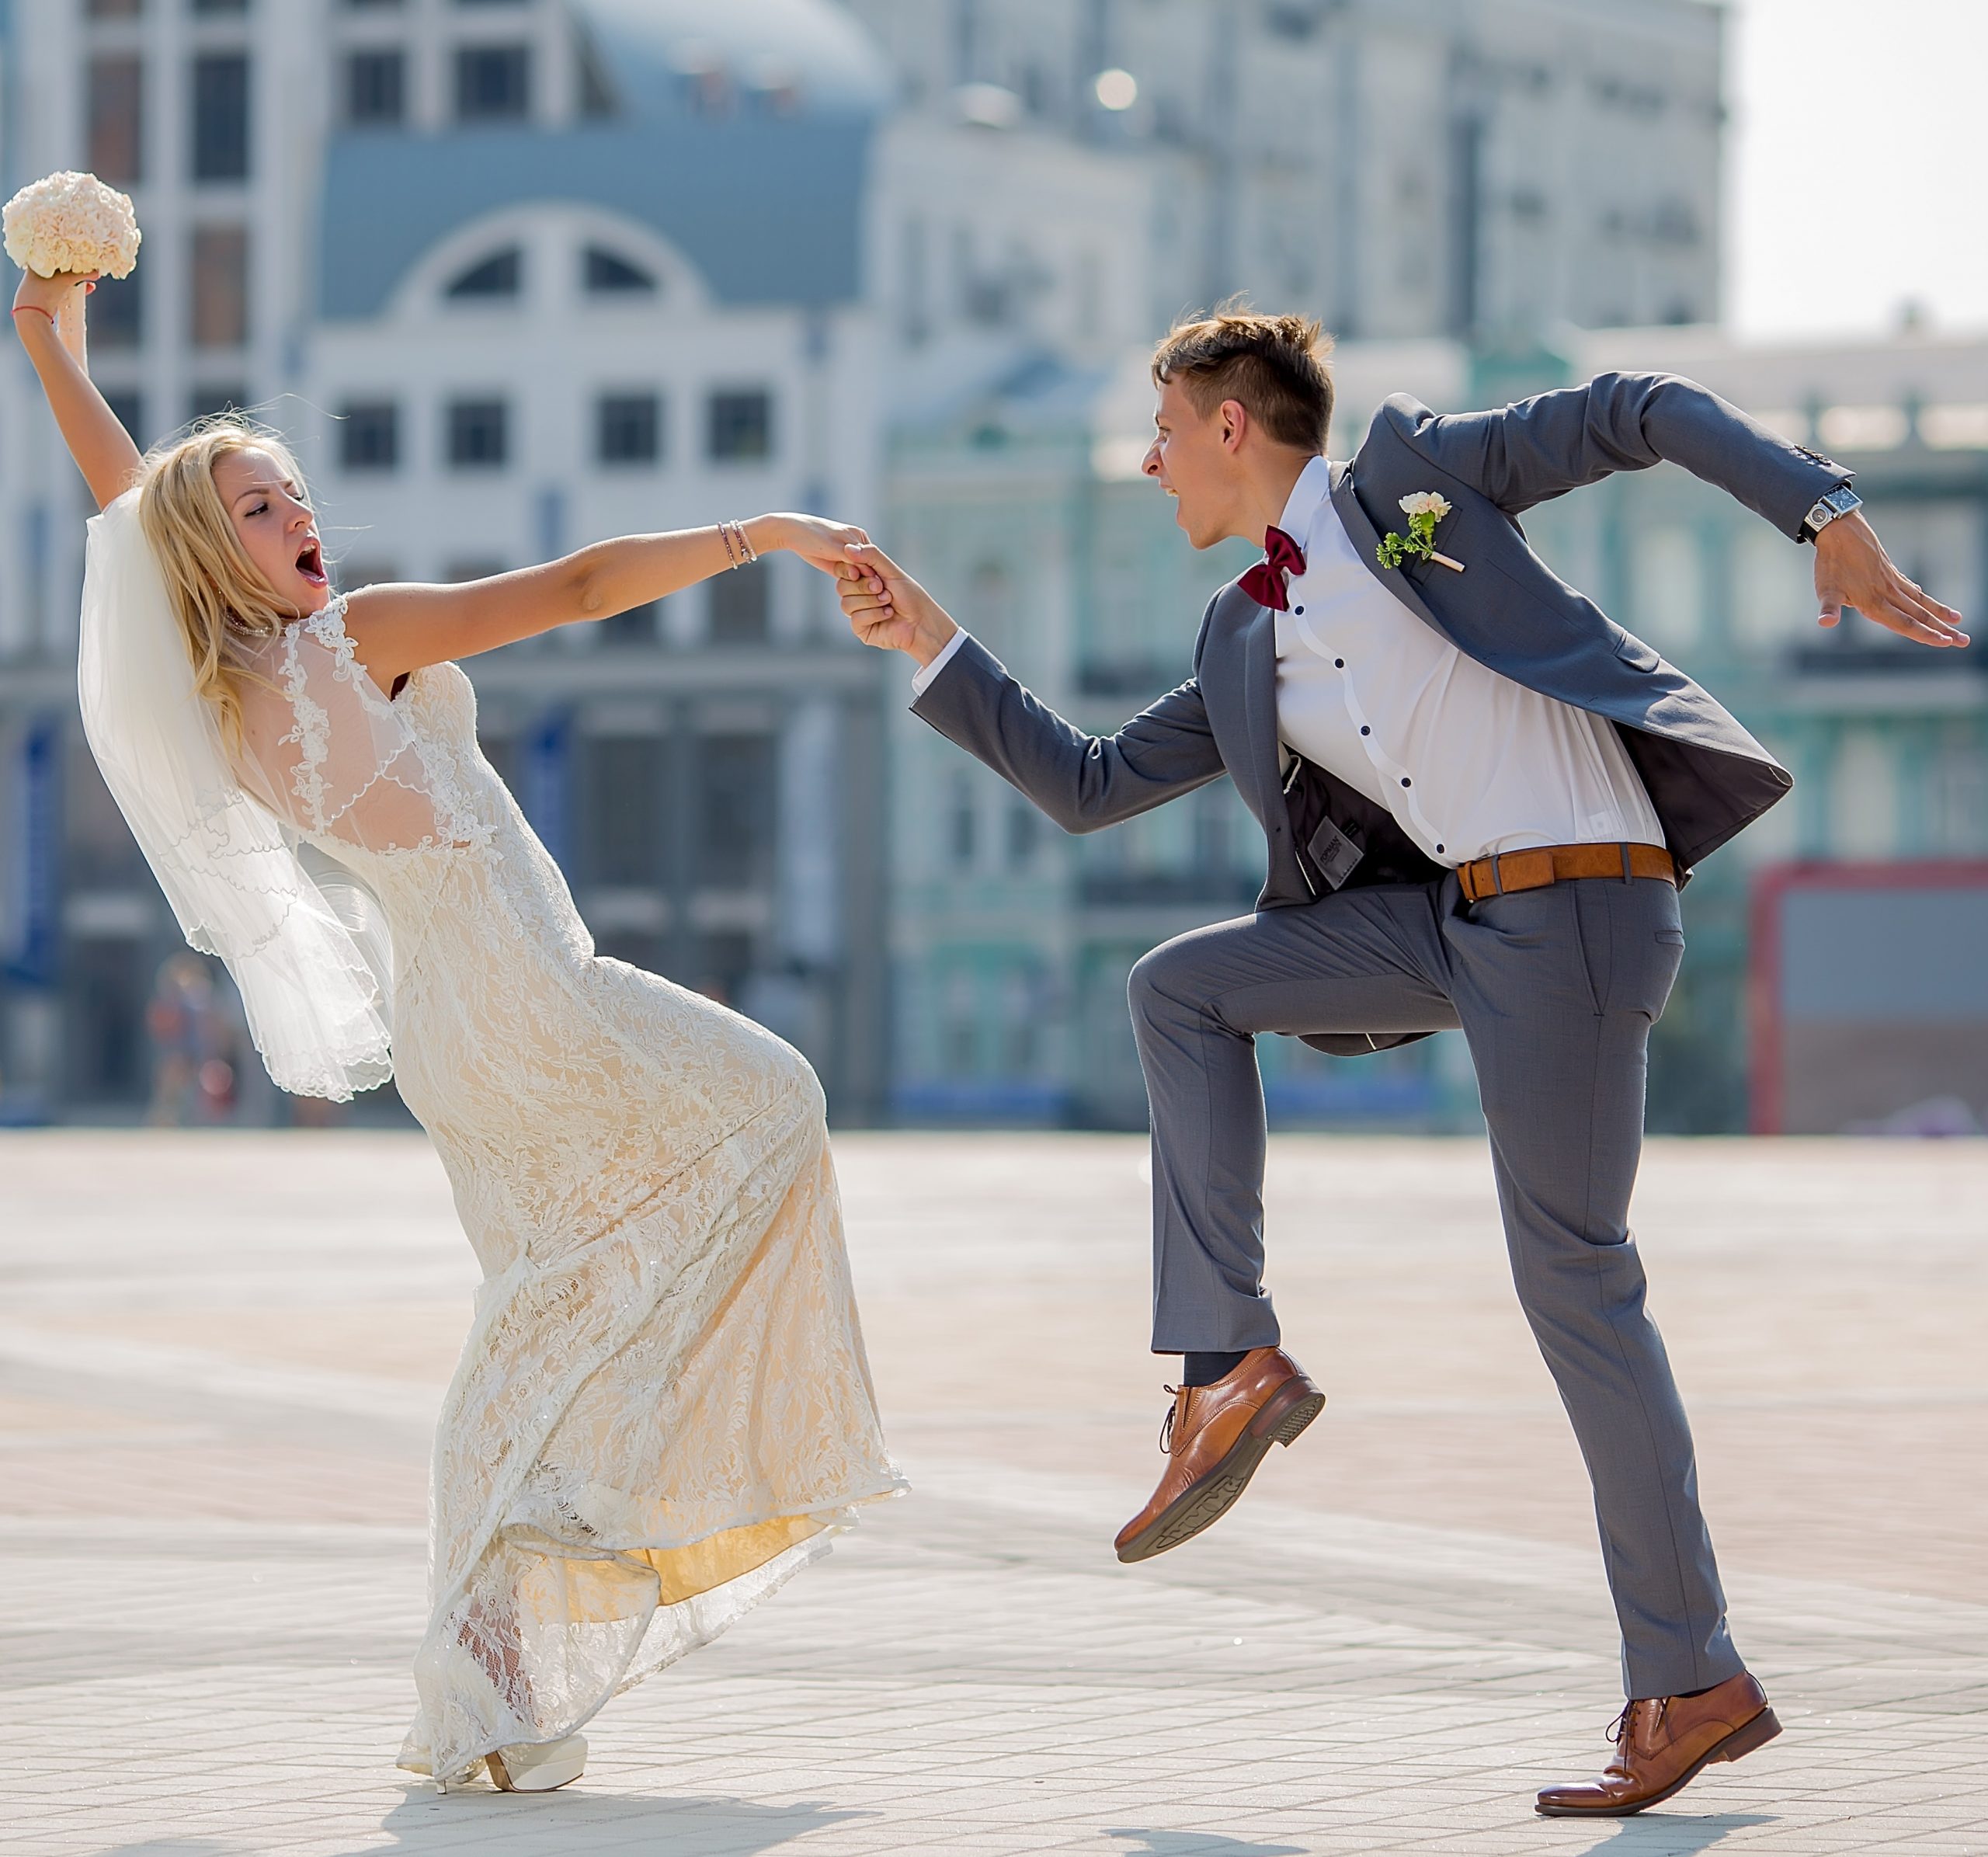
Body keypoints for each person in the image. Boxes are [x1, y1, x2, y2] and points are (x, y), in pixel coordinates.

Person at [836, 308, 1967, 1819]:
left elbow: (1640, 404)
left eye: (1162, 432)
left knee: (1574, 1281)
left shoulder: (1414, 479)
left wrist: (1817, 512)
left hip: (1577, 902)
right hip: (1454, 929)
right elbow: (1091, 780)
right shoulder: (1244, 630)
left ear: (1233, 423)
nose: (1151, 462)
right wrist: (931, 640)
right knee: (1178, 984)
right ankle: (1226, 1360)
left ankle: (1688, 1671)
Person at [13, 264, 903, 1793]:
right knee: (767, 1111)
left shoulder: (214, 689)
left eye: (294, 492)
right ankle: (624, 1511)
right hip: (526, 989)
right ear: (209, 552)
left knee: (550, 1303)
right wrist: (766, 531)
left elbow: (127, 498)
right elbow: (568, 589)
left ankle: (493, 1647)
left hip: (451, 1033)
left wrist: (48, 338)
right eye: (257, 509)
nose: (298, 517)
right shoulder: (355, 637)